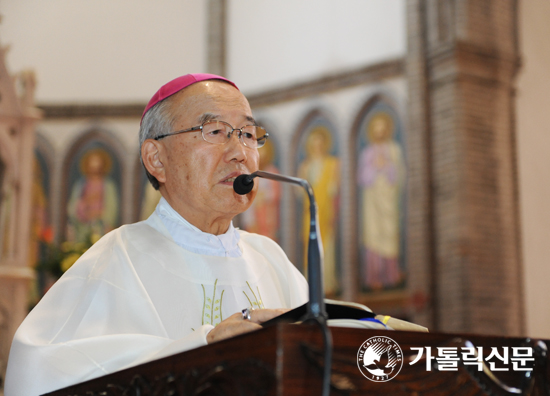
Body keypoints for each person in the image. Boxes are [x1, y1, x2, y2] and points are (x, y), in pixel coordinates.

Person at [5, 74, 308, 395]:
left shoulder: (271, 258)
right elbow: (36, 370)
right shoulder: (115, 259)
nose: (240, 152)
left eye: (248, 133)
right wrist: (202, 347)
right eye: (216, 131)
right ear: (156, 159)